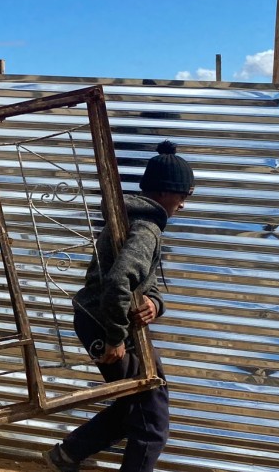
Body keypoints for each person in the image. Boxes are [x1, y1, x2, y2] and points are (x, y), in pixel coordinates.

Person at [43, 140, 194, 472]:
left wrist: (155, 303)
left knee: (136, 405)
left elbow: (141, 281)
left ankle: (66, 455)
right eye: (184, 195)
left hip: (115, 324)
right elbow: (116, 283)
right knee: (151, 419)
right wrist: (114, 338)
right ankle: (68, 455)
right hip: (108, 324)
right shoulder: (146, 228)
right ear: (168, 192)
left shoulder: (135, 220)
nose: (183, 204)